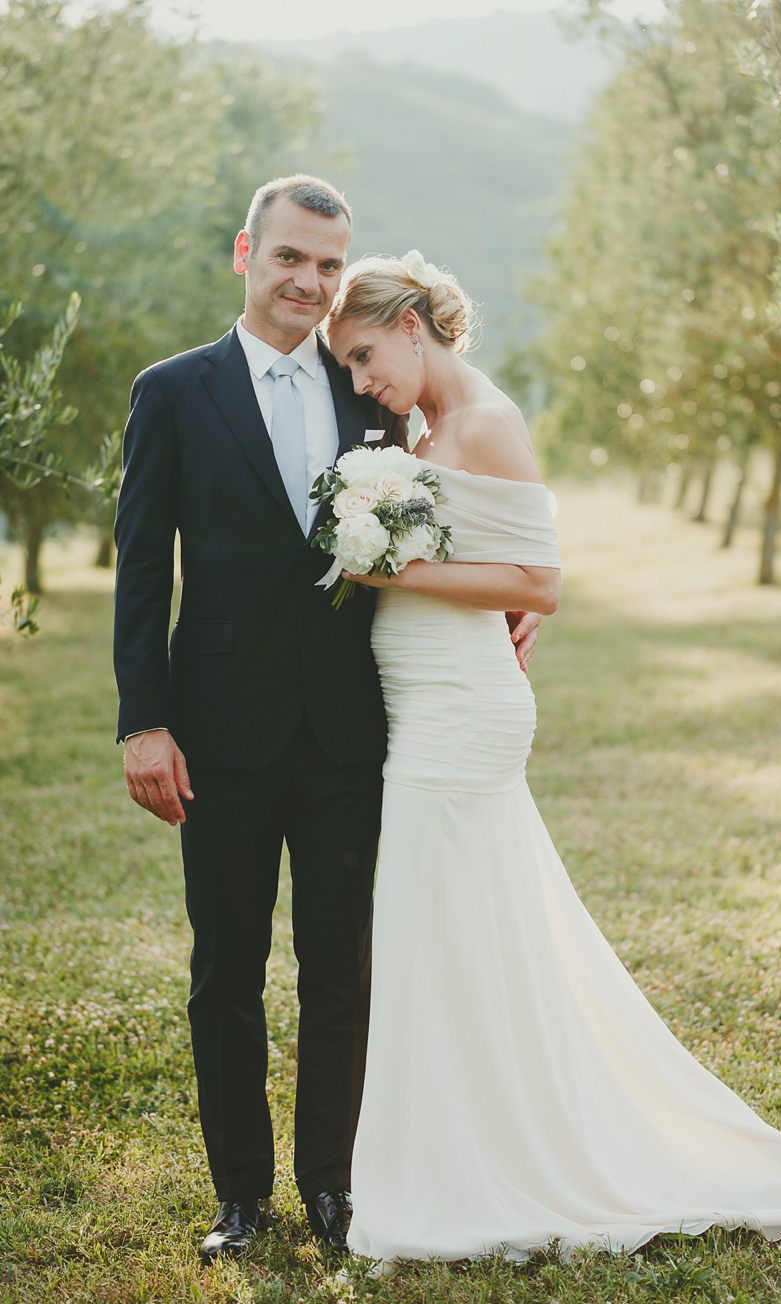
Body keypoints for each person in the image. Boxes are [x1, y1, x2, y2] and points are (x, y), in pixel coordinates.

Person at [325, 251, 781, 1266]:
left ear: (414, 323)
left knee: (433, 926)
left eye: (364, 355)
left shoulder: (486, 421)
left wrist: (400, 564)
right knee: (454, 937)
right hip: (428, 706)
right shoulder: (426, 431)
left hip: (461, 720)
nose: (360, 381)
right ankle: (471, 1143)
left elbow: (540, 582)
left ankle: (468, 1168)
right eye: (348, 366)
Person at [112, 174, 543, 1264]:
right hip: (219, 735)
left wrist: (501, 610)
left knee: (344, 968)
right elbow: (138, 573)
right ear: (249, 252)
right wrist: (142, 722)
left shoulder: (374, 395)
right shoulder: (172, 392)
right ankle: (241, 1197)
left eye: (326, 265)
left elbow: (466, 505)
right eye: (290, 258)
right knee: (227, 970)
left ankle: (337, 1188)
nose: (307, 281)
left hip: (359, 733)